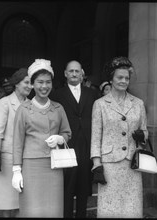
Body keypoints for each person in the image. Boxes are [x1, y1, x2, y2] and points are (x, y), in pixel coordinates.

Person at [11, 59, 71, 217]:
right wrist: (17, 170)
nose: (44, 86)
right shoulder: (23, 109)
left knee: (53, 209)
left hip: (54, 166)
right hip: (30, 166)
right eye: (40, 82)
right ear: (32, 84)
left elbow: (67, 133)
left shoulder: (58, 108)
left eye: (48, 82)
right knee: (32, 209)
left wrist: (60, 138)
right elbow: (17, 142)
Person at [90, 56, 148, 218]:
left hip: (132, 161)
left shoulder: (138, 103)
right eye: (120, 77)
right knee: (110, 206)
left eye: (126, 78)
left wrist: (142, 135)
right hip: (109, 163)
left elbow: (145, 130)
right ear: (111, 79)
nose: (123, 81)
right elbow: (96, 135)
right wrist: (96, 163)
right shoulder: (100, 104)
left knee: (132, 205)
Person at [50, 60, 99, 218]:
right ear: (65, 73)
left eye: (77, 71)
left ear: (82, 73)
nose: (74, 74)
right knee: (67, 185)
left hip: (86, 142)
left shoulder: (92, 93)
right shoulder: (57, 94)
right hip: (66, 143)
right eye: (71, 71)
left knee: (84, 184)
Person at [0, 68, 32, 217]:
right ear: (16, 84)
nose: (30, 86)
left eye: (31, 83)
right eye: (26, 82)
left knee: (21, 203)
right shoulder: (4, 103)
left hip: (27, 158)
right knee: (7, 203)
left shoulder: (31, 104)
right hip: (7, 158)